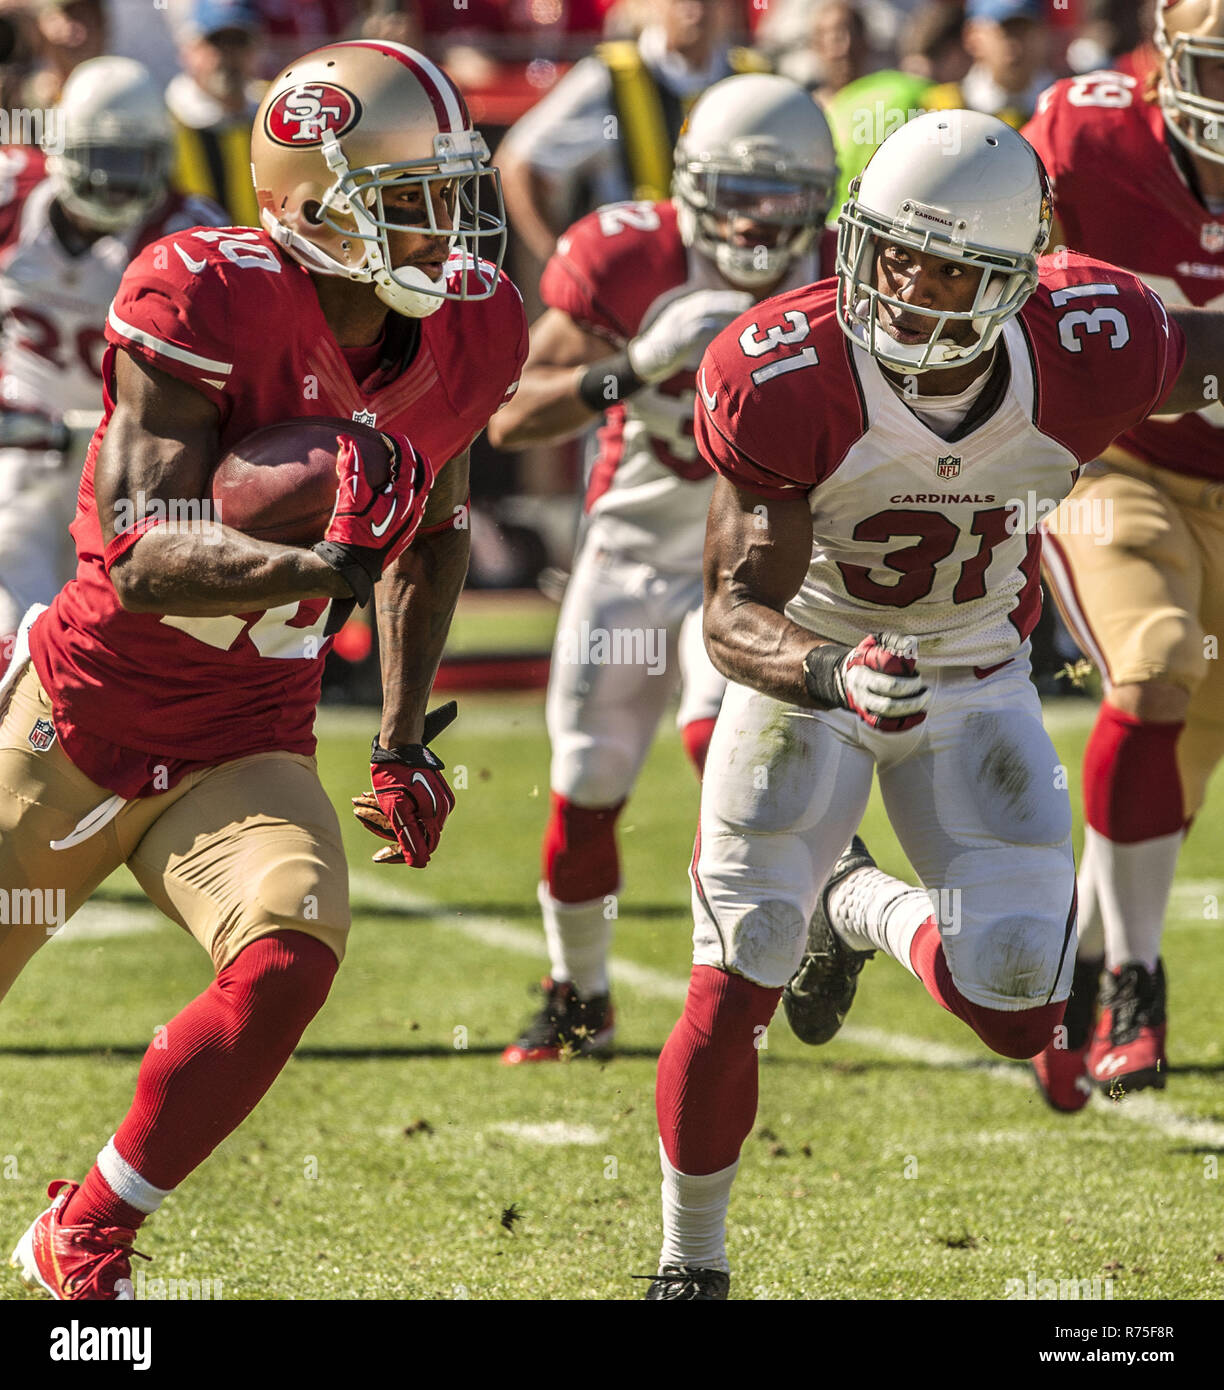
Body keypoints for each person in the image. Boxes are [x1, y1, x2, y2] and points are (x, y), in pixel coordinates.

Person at [640, 109, 1208, 1299]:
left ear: (1014, 275)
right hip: (816, 664)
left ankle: (856, 905)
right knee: (740, 959)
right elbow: (734, 613)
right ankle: (690, 1262)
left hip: (972, 670)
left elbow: (1201, 352)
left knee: (1019, 1004)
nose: (905, 286)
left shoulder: (1091, 340)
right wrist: (829, 671)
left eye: (947, 265)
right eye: (892, 250)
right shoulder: (783, 369)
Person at [4, 37, 526, 1301]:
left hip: (242, 741)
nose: (444, 232)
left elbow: (439, 523)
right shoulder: (205, 288)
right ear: (308, 205)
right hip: (78, 726)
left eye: (451, 194)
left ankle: (89, 1230)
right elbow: (139, 550)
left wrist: (402, 740)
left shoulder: (472, 324)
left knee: (289, 958)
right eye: (408, 200)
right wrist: (323, 564)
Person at [488, 73, 838, 1063]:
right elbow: (511, 412)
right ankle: (580, 993)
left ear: (820, 199)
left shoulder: (840, 272)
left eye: (779, 199)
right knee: (587, 776)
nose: (756, 223)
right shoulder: (630, 254)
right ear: (688, 186)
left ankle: (751, 973)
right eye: (733, 193)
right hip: (636, 546)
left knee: (720, 743)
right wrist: (632, 368)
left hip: (759, 559)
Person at [1020, 0, 1224, 1108]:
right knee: (1151, 668)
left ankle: (1081, 957)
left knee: (1178, 770)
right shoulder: (1083, 136)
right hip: (1120, 463)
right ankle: (1137, 986)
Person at [0, 55, 227, 682]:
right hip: (22, 445)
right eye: (102, 158)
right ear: (64, 149)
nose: (113, 182)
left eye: (132, 162)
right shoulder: (10, 193)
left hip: (133, 454)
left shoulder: (187, 231)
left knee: (118, 641)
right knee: (12, 599)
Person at [496, 0, 769, 264]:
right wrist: (562, 263)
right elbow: (516, 162)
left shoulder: (755, 79)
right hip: (632, 279)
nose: (695, 10)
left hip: (732, 270)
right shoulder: (609, 77)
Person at [166, 0, 265, 225]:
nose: (227, 56)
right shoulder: (165, 124)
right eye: (216, 43)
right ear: (187, 50)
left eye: (238, 42)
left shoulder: (273, 115)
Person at [925, 0, 1054, 128]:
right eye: (1006, 33)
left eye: (1025, 30)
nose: (1016, 44)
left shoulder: (1063, 106)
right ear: (972, 36)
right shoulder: (942, 110)